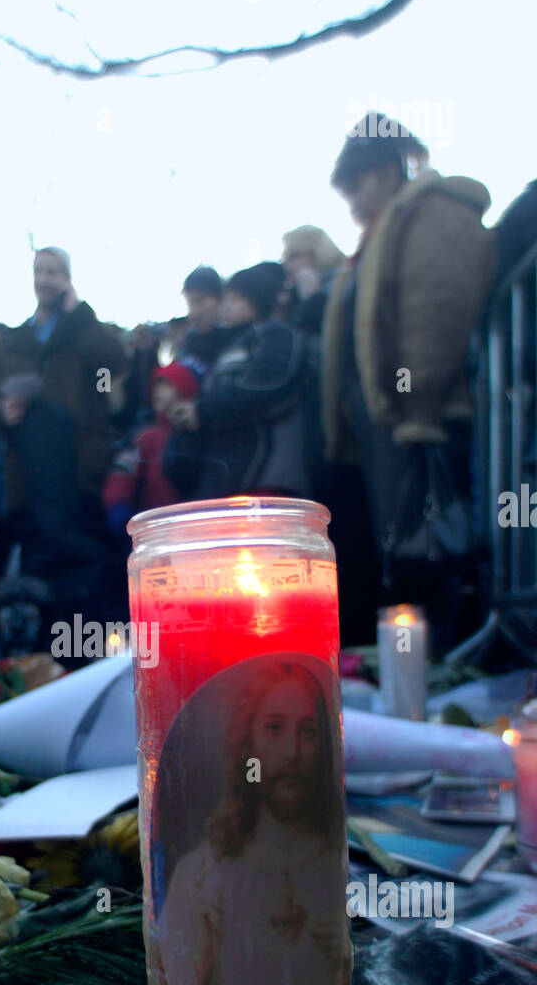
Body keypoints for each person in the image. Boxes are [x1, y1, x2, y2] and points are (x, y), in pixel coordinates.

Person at [322, 111, 496, 650]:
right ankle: (417, 668)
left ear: (388, 169)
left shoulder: (431, 214)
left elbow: (435, 313)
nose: (352, 199)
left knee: (432, 551)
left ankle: (441, 666)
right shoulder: (385, 230)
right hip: (386, 424)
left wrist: (412, 400)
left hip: (416, 421)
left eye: (359, 183)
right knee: (404, 552)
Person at [160, 661, 351, 985]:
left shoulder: (334, 862)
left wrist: (345, 959)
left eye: (308, 732)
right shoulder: (202, 880)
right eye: (274, 728)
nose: (292, 752)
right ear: (248, 744)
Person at [0, 247, 127, 497]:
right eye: (38, 271)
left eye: (52, 272)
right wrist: (2, 412)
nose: (43, 280)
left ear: (67, 280)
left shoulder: (85, 330)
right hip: (28, 469)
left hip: (80, 464)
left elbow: (112, 362)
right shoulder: (10, 343)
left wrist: (80, 314)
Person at [165, 264, 308, 500]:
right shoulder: (233, 344)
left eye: (236, 298)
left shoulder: (276, 334)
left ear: (257, 299)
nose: (226, 306)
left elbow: (268, 384)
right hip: (233, 477)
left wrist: (202, 409)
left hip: (265, 475)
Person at [0, 373, 114, 636]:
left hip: (53, 535)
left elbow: (50, 488)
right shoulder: (39, 423)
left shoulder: (39, 425)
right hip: (60, 531)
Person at [102, 363, 197, 536]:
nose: (158, 391)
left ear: (184, 389)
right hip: (152, 529)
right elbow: (123, 472)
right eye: (156, 385)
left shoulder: (199, 435)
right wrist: (117, 502)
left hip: (191, 529)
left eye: (167, 384)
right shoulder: (145, 437)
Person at [280, 226, 346, 336]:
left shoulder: (340, 284)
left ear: (317, 253)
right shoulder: (294, 291)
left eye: (294, 256)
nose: (287, 265)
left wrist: (313, 299)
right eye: (284, 258)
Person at [176, 266, 224, 377]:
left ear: (220, 299)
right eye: (190, 303)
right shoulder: (188, 346)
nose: (194, 312)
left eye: (200, 301)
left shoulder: (240, 342)